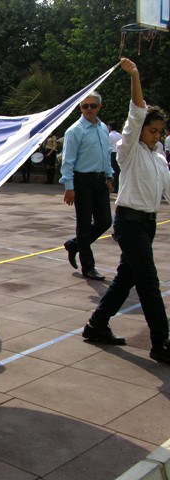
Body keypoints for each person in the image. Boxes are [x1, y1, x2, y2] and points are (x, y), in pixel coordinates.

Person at [82, 59, 170, 363]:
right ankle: (161, 342)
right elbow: (136, 112)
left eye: (159, 132)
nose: (155, 135)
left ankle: (96, 325)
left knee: (125, 279)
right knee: (149, 281)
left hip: (148, 224)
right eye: (151, 130)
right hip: (129, 222)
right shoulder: (129, 150)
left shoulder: (159, 159)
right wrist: (135, 75)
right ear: (140, 131)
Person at [60, 90, 113, 281]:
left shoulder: (103, 128)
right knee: (83, 225)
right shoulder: (75, 131)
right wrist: (69, 187)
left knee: (105, 222)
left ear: (99, 106)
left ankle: (74, 245)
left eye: (92, 106)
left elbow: (107, 153)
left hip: (99, 180)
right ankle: (88, 267)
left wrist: (109, 176)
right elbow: (68, 161)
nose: (89, 109)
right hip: (82, 181)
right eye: (85, 106)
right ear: (80, 108)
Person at [108, 122, 123, 193]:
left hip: (113, 153)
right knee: (118, 171)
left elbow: (107, 145)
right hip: (119, 153)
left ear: (110, 127)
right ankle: (118, 186)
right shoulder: (120, 135)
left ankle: (114, 187)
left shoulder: (110, 135)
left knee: (113, 171)